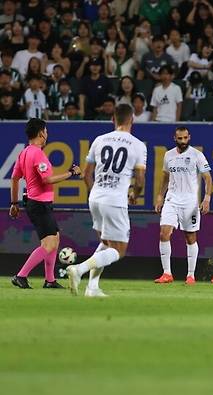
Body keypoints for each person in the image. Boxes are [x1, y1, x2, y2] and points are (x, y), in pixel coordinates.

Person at [67, 104, 147, 297]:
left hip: (95, 197)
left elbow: (86, 174)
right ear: (132, 120)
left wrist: (94, 193)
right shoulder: (137, 144)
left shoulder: (99, 140)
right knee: (119, 250)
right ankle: (79, 269)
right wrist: (135, 195)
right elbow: (140, 179)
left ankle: (92, 287)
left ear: (113, 119)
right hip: (115, 200)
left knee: (106, 242)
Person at [9, 118, 81, 289]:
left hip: (36, 203)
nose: (47, 134)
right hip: (39, 204)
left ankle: (50, 280)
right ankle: (21, 275)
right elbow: (47, 179)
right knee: (49, 244)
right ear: (41, 133)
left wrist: (14, 203)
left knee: (54, 239)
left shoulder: (24, 153)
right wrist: (71, 172)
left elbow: (14, 178)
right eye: (46, 131)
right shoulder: (37, 153)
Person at [154, 127, 212, 285]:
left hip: (190, 202)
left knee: (190, 237)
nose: (183, 141)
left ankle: (191, 276)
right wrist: (160, 195)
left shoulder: (196, 155)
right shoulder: (168, 155)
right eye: (180, 138)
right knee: (164, 233)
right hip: (171, 199)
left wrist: (207, 198)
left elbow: (207, 178)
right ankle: (167, 273)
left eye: (185, 138)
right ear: (175, 138)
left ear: (189, 137)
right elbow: (166, 176)